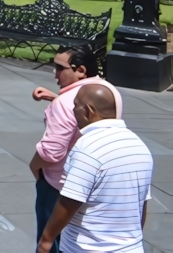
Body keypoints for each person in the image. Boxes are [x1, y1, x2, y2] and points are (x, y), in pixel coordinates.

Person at [30, 46, 125, 253]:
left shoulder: (64, 104)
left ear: (81, 70)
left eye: (59, 68)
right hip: (95, 183)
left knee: (50, 242)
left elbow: (50, 152)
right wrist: (56, 98)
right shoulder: (109, 93)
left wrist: (34, 167)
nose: (54, 73)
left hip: (58, 187)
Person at [37, 83, 152, 253]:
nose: (73, 111)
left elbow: (70, 200)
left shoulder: (87, 147)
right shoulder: (139, 146)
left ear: (88, 111)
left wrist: (46, 241)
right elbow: (141, 204)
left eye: (75, 106)